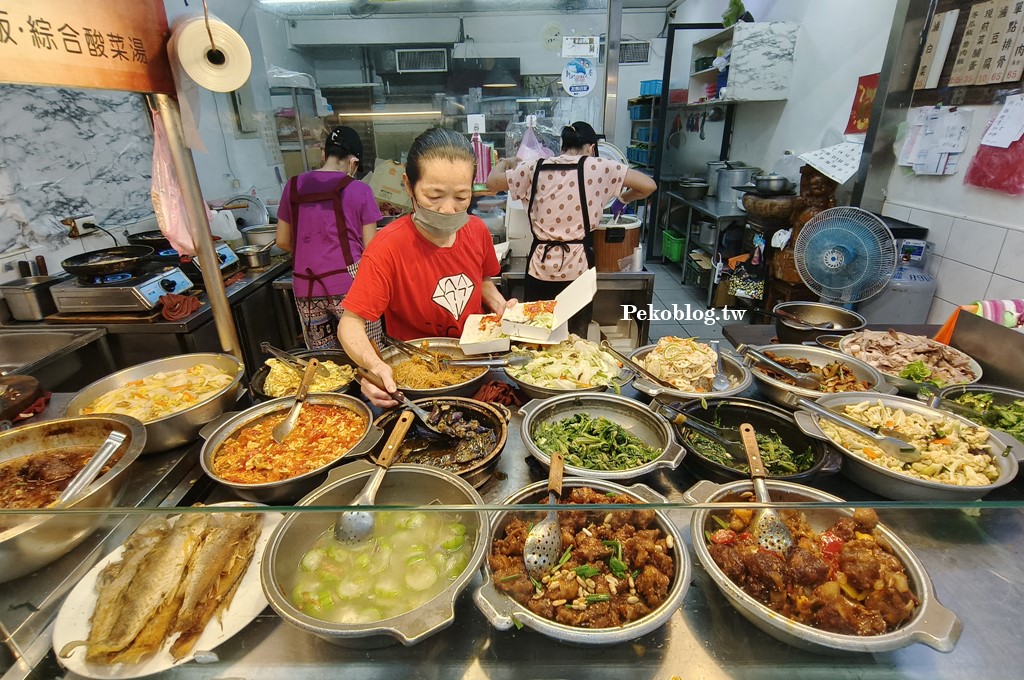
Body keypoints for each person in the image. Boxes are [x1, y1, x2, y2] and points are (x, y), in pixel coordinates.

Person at [340, 127, 514, 407]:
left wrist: (500, 305)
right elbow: (350, 323)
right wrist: (374, 365)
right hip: (414, 381)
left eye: (461, 197)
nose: (448, 209)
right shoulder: (388, 246)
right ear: (409, 186)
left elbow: (481, 279)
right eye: (434, 196)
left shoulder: (477, 231)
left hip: (476, 367)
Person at [486, 121, 656, 337]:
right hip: (578, 269)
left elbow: (491, 183)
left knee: (537, 334)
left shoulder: (534, 167)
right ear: (591, 148)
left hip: (540, 268)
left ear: (562, 147)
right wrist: (622, 198)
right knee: (575, 339)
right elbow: (649, 186)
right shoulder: (599, 166)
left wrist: (506, 161)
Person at [275, 126, 383, 349]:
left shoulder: (293, 186)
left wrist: (311, 251)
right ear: (353, 162)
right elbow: (371, 249)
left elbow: (282, 241)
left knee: (326, 363)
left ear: (324, 154)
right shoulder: (360, 190)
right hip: (351, 287)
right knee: (367, 353)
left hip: (307, 287)